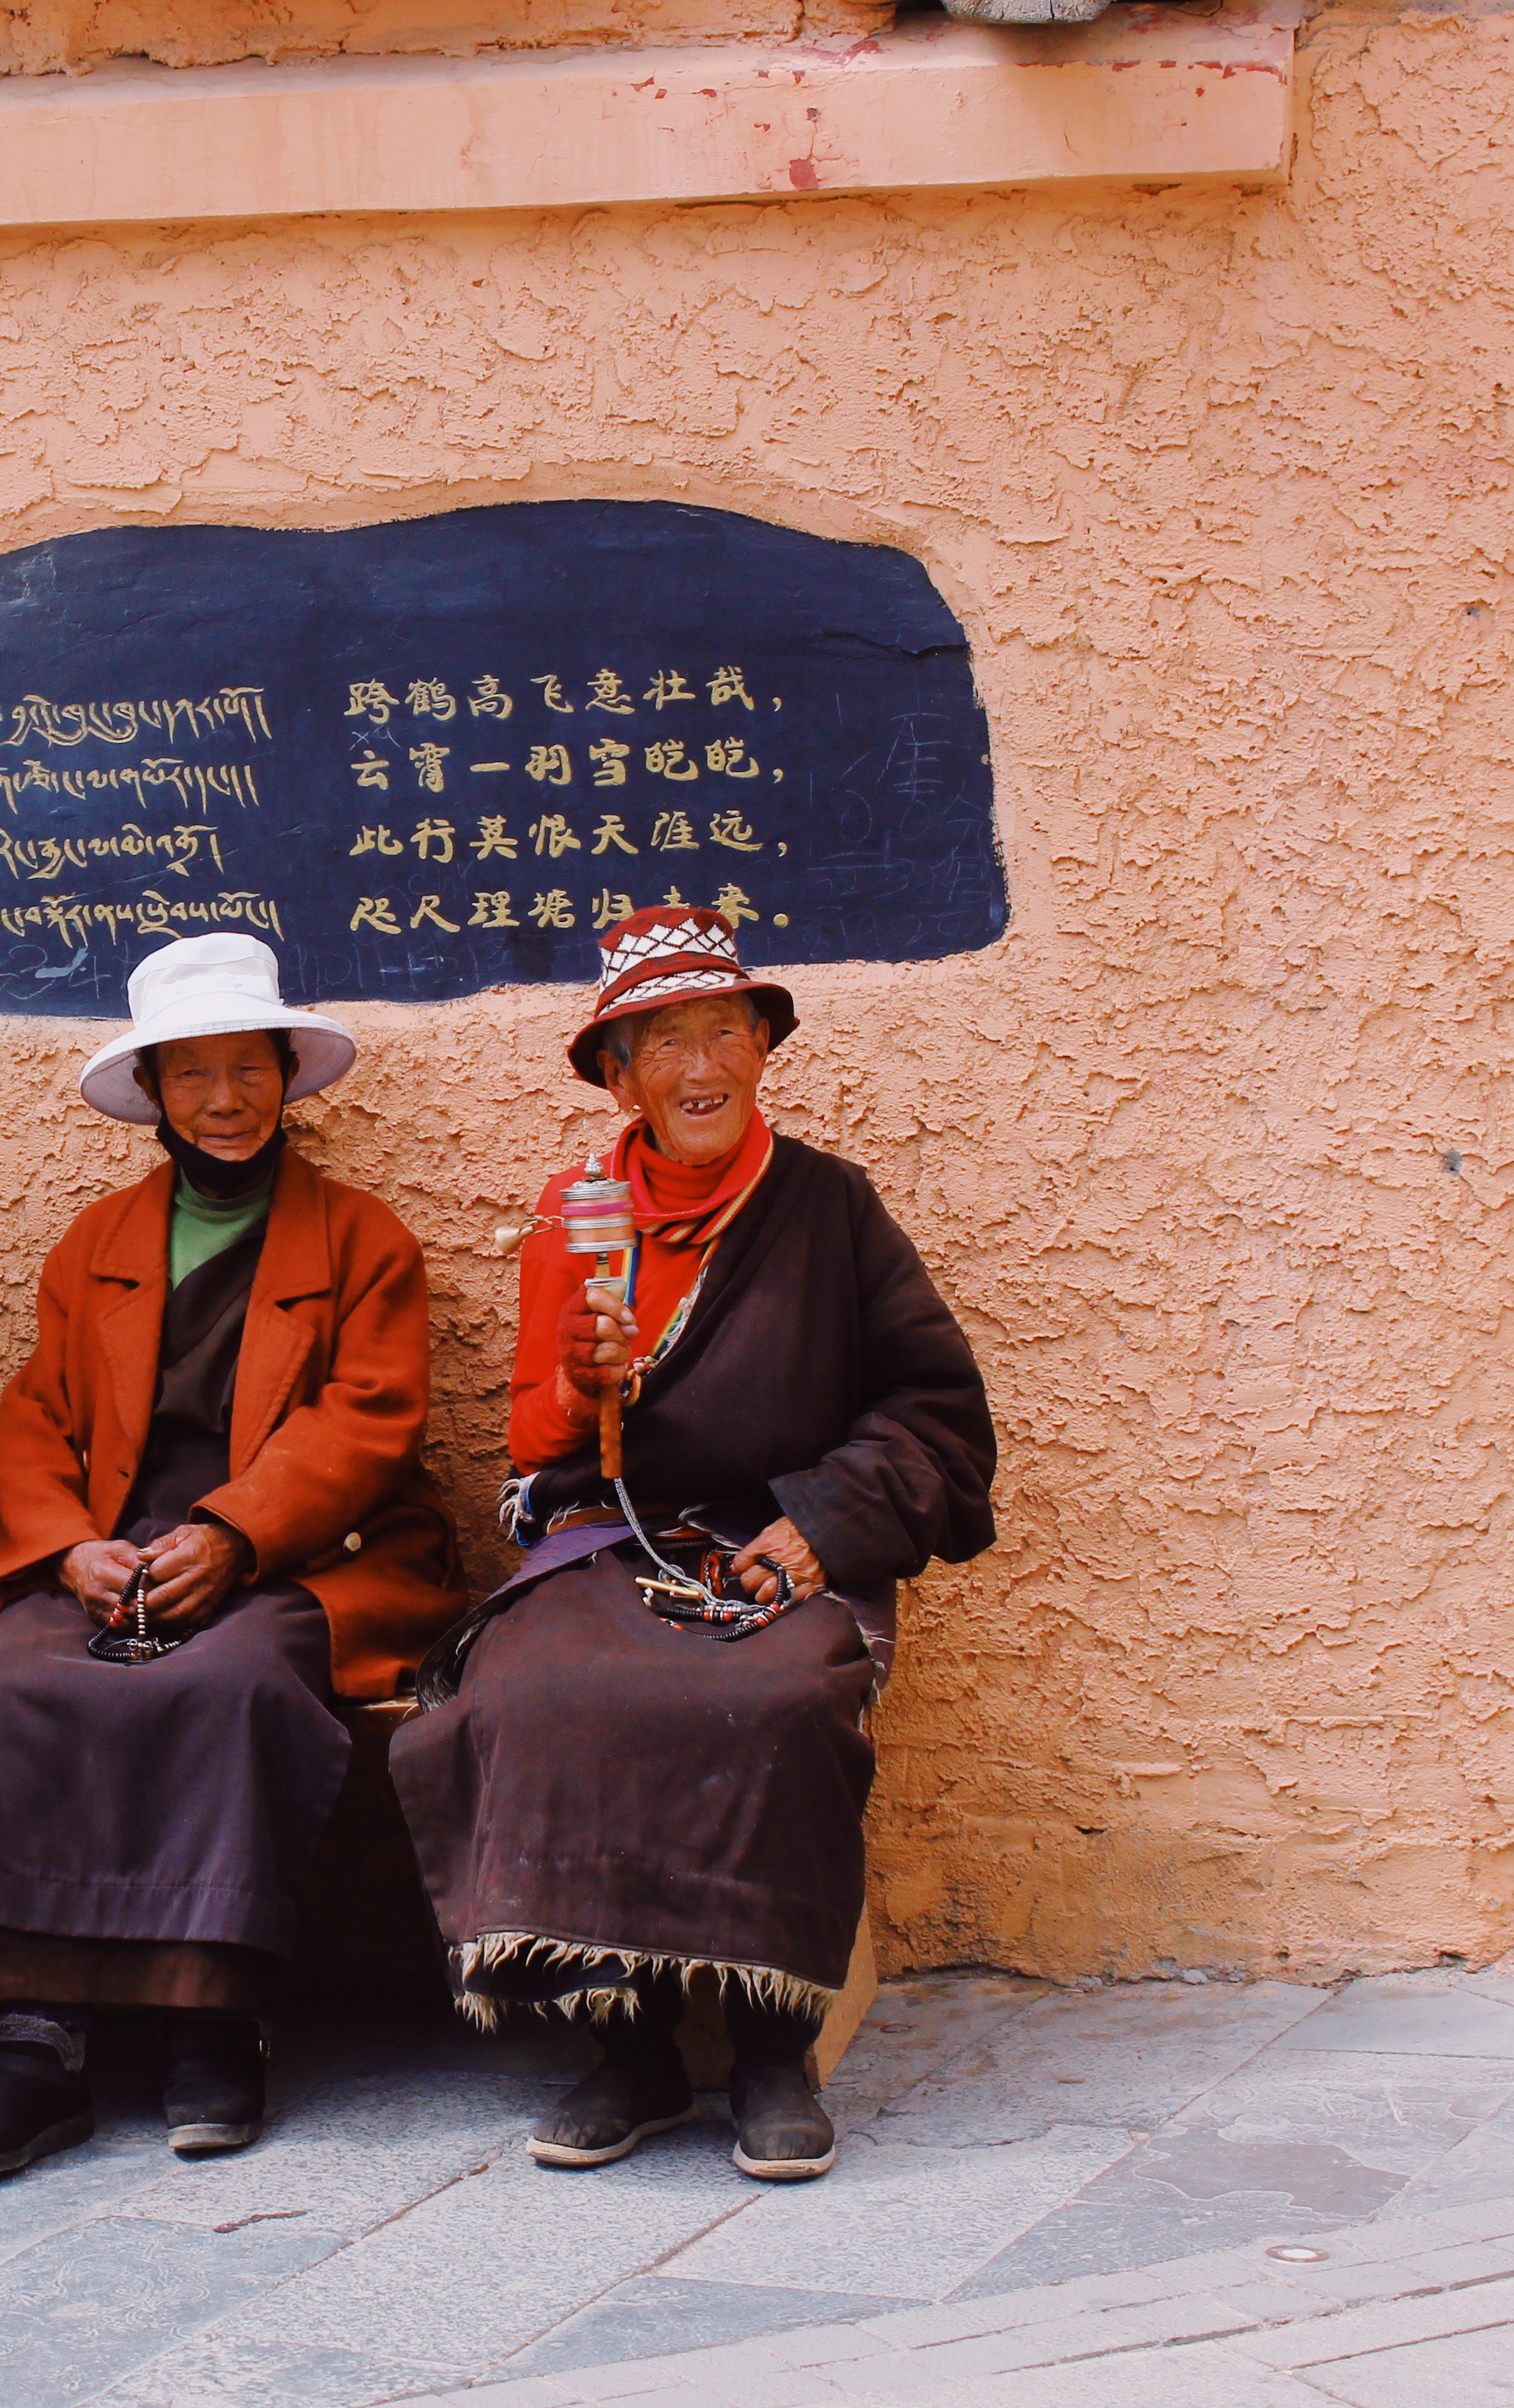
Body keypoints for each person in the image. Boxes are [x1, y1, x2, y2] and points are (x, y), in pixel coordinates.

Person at [392, 907, 996, 2183]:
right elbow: (531, 1442)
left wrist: (823, 1528)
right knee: (542, 1686)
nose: (700, 1066)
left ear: (765, 1049)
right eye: (662, 1043)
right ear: (619, 1076)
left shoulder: (828, 1205)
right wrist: (576, 1380)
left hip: (778, 1541)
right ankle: (631, 2045)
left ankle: (773, 2045)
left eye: (724, 1030)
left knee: (776, 1694)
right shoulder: (578, 1212)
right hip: (611, 1537)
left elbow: (933, 1406)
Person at [0, 933, 459, 2179]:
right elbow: (37, 1419)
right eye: (192, 1076)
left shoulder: (365, 1241)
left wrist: (236, 1535)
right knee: (0, 1691)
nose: (225, 1101)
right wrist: (69, 1546)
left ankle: (212, 2022)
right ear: (153, 1094)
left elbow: (367, 1421)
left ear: (285, 1077)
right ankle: (26, 2044)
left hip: (301, 1554)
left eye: (248, 1070)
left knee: (227, 1686)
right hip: (109, 1541)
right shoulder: (92, 1244)